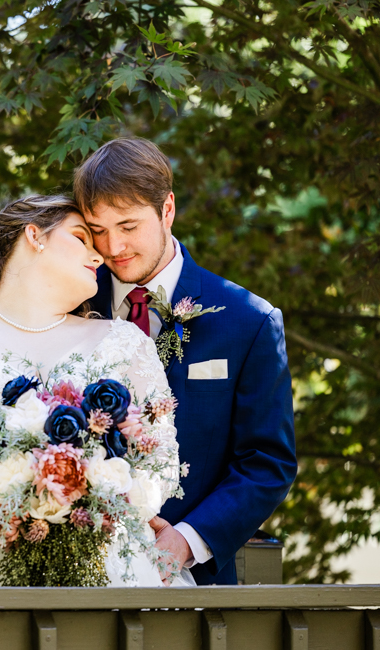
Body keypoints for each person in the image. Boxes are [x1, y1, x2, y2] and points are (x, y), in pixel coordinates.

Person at [0, 194, 182, 587]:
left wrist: (90, 509)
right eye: (82, 238)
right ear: (34, 236)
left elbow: (159, 457)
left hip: (110, 567)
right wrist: (3, 508)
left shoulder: (126, 343)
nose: (99, 258)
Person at [75, 137, 297, 584]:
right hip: (74, 571)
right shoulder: (69, 302)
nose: (113, 246)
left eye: (128, 225)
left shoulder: (248, 321)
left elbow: (266, 461)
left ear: (167, 210)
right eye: (97, 229)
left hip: (193, 585)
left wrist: (188, 539)